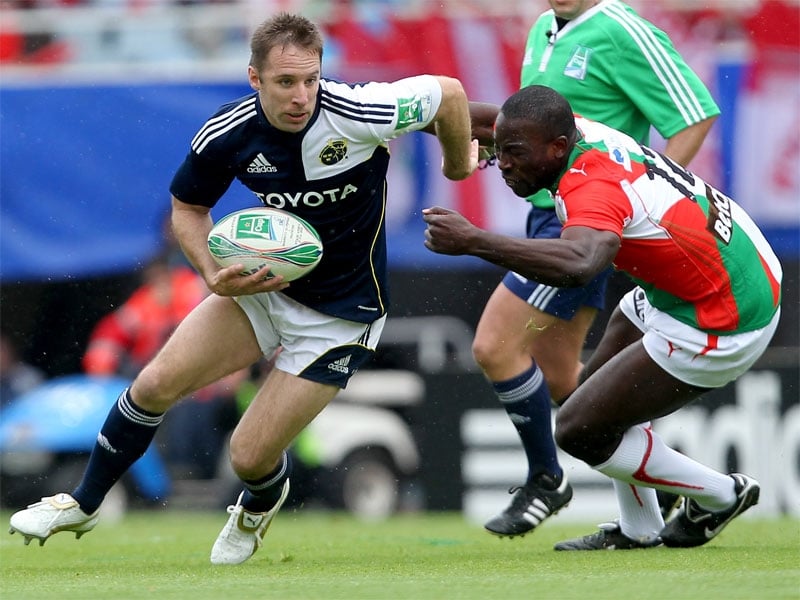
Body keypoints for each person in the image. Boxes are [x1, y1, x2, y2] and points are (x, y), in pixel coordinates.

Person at [8, 12, 478, 564]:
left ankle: (259, 501)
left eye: (310, 79)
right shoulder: (226, 133)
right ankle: (83, 502)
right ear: (254, 78)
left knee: (248, 455)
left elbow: (448, 93)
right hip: (261, 289)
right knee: (153, 384)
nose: (302, 95)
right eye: (285, 82)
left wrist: (455, 166)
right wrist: (210, 272)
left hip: (342, 316)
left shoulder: (361, 110)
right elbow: (188, 209)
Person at [423, 84, 781, 550]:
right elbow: (486, 120)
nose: (503, 162)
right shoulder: (576, 134)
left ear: (556, 148)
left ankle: (722, 494)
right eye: (501, 149)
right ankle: (640, 528)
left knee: (579, 431)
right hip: (729, 275)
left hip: (724, 316)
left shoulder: (591, 186)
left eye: (514, 153)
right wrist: (385, 116)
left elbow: (579, 264)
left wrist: (474, 240)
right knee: (598, 399)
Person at [468, 0, 719, 539]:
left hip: (582, 228)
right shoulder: (542, 28)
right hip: (547, 216)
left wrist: (650, 202)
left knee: (494, 345)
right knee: (565, 376)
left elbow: (695, 114)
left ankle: (546, 478)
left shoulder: (622, 29)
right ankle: (670, 484)